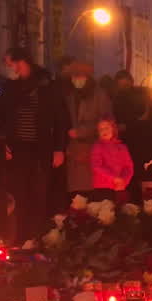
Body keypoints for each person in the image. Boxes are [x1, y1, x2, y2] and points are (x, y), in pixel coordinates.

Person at [0, 47, 69, 242]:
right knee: (19, 194)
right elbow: (1, 117)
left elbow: (60, 119)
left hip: (40, 148)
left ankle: (36, 237)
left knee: (38, 194)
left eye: (10, 63)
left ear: (21, 62)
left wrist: (59, 148)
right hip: (18, 148)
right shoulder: (10, 87)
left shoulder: (46, 85)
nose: (9, 68)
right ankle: (20, 239)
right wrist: (2, 143)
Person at [63, 60, 113, 199]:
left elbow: (107, 123)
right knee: (77, 196)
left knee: (94, 193)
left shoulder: (100, 95)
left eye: (79, 76)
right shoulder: (71, 95)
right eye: (73, 76)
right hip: (74, 150)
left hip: (94, 148)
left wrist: (82, 131)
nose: (76, 79)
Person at [90, 119, 133, 204]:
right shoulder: (97, 146)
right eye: (101, 129)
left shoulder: (122, 147)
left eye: (106, 128)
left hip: (120, 187)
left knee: (122, 212)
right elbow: (97, 166)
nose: (104, 131)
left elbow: (128, 167)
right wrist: (114, 178)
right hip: (103, 188)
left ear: (113, 129)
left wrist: (124, 181)